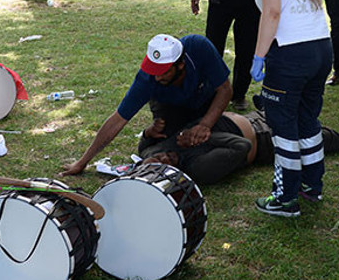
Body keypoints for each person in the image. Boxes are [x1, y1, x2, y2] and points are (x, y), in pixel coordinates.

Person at [235, 0, 332, 217]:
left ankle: (285, 196)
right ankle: (311, 185)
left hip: (291, 53)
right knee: (307, 119)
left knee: (283, 125)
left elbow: (272, 11)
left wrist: (259, 55)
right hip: (320, 47)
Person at [62, 34, 232, 176]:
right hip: (169, 105)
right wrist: (82, 162)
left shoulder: (199, 47)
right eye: (153, 70)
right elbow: (117, 120)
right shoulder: (147, 79)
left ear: (180, 65)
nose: (156, 78)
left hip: (204, 98)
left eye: (163, 72)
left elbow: (225, 89)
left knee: (206, 133)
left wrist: (205, 125)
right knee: (170, 139)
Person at [139, 108, 339, 187]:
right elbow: (241, 146)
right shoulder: (200, 169)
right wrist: (201, 136)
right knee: (328, 139)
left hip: (255, 116)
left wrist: (149, 133)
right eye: (165, 164)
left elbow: (145, 145)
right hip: (265, 140)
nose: (163, 157)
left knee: (300, 109)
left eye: (156, 158)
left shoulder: (150, 154)